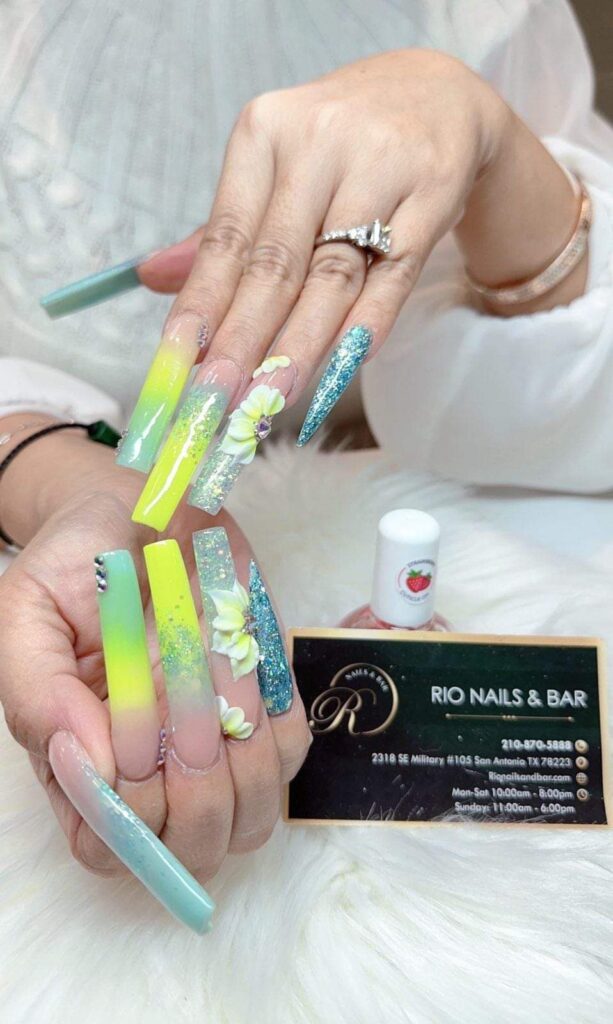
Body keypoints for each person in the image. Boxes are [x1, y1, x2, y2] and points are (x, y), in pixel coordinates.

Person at [1, 0, 612, 883]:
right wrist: (59, 470)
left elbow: (577, 420)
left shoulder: (486, 14)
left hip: (404, 526)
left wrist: (495, 145)